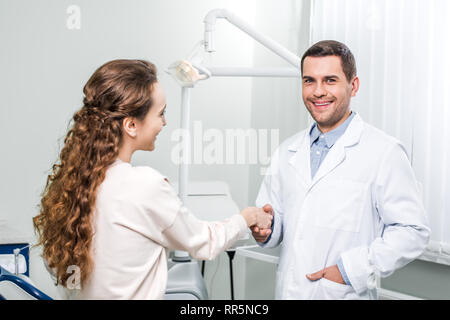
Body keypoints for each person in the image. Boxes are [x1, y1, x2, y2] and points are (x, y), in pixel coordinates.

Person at [33, 59, 273, 299]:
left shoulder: (77, 182)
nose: (164, 122)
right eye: (161, 113)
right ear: (131, 125)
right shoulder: (144, 185)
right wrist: (247, 217)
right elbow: (205, 242)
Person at [251, 40, 430, 299]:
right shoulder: (287, 151)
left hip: (340, 292)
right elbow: (277, 220)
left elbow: (413, 230)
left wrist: (350, 270)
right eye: (309, 81)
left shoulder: (384, 152)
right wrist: (266, 228)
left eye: (330, 80)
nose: (318, 91)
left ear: (353, 85)